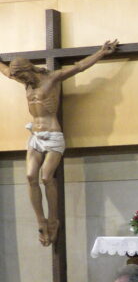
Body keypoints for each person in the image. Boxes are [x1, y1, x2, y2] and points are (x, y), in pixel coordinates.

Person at [1, 40, 118, 246]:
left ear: (29, 70)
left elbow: (79, 67)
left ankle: (53, 219)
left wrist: (101, 53)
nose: (21, 81)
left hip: (53, 135)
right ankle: (41, 219)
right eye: (17, 77)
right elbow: (5, 71)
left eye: (22, 76)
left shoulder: (51, 79)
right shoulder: (25, 81)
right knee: (30, 176)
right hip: (35, 136)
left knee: (46, 177)